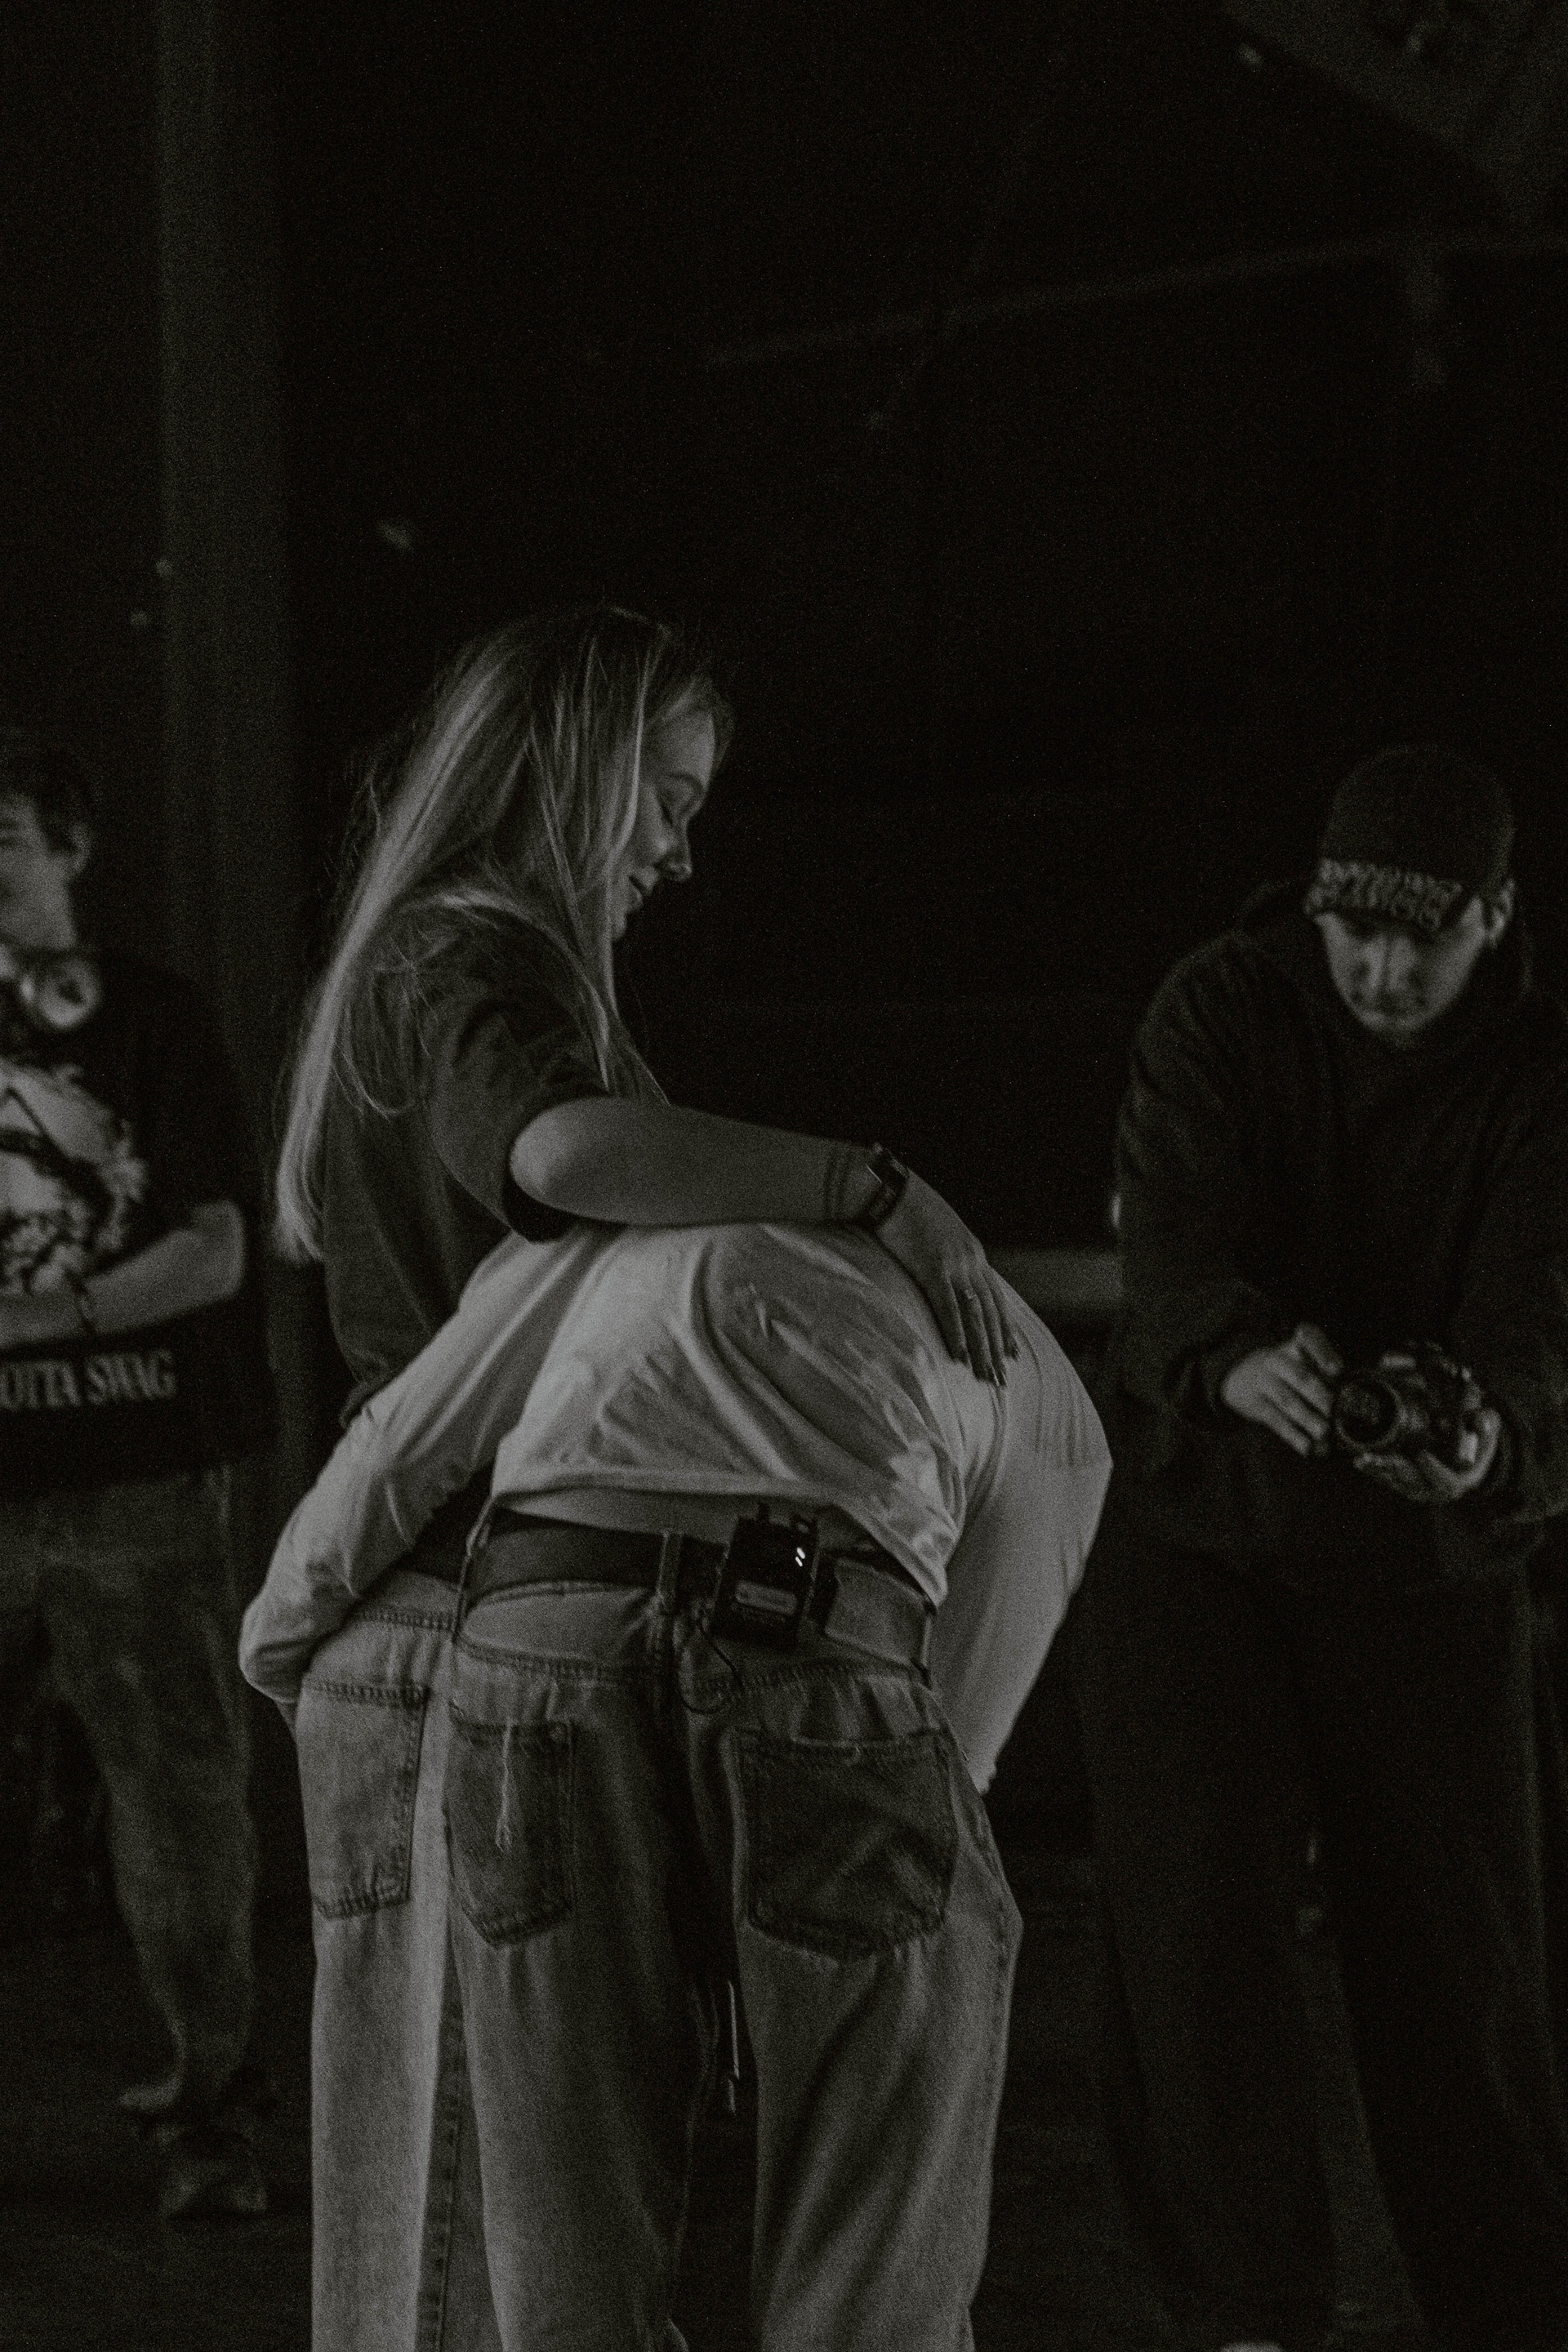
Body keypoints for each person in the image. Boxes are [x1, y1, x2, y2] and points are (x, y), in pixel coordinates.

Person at [257, 604, 1059, 2348]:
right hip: (447, 1622)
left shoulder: (430, 961)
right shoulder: (473, 955)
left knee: (461, 2264)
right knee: (477, 2276)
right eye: (668, 800)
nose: (679, 857)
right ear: (572, 770)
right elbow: (560, 1151)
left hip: (440, 1622)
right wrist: (865, 1186)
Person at [242, 1214, 1111, 2348]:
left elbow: (401, 1448)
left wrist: (279, 1654)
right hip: (821, 1628)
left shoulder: (622, 1239)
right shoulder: (1036, 1375)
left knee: (564, 2229)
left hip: (539, 1635)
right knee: (879, 2201)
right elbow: (957, 1730)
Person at [1072, 745, 1568, 2352]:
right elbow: (1165, 1234)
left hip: (1421, 1557)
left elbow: (1536, 1315)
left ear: (1496, 919)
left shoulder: (1540, 1072)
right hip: (1200, 1529)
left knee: (1465, 1960)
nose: (1385, 969)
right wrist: (1227, 1350)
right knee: (1196, 1931)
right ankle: (1248, 2312)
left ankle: (1512, 2307)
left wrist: (1481, 1433)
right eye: (1358, 930)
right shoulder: (1225, 1003)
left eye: (1426, 937)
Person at [0, 727, 276, 2220]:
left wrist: (39, 1320)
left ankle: (211, 2123)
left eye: (1, 836)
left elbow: (216, 1250)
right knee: (174, 1797)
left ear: (72, 846)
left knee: (174, 1800)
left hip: (136, 1473)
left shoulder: (152, 1020)